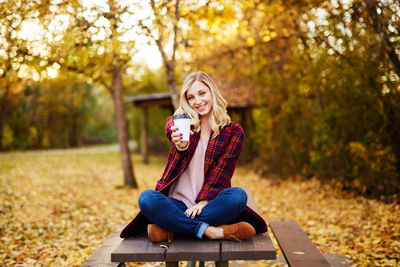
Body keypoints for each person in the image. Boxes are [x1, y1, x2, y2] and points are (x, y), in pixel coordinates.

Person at [120, 71, 267, 242]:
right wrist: (181, 146)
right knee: (147, 198)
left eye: (202, 93)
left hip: (210, 205)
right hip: (177, 205)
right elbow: (171, 129)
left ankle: (172, 229)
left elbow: (223, 171)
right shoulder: (182, 123)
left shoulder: (233, 132)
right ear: (186, 101)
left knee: (238, 196)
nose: (197, 102)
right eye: (191, 97)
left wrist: (204, 201)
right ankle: (214, 231)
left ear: (212, 92)